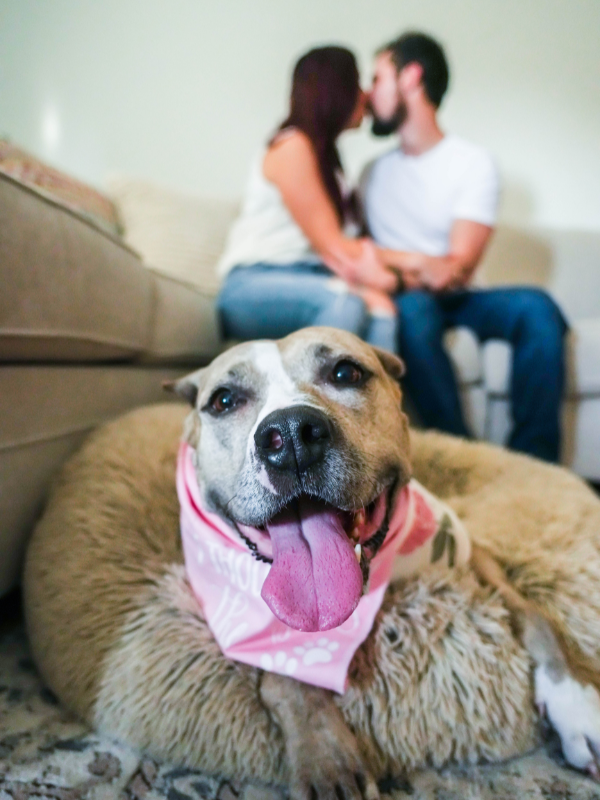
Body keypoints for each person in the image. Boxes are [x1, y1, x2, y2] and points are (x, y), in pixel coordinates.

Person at [362, 31, 568, 462]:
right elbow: (356, 252)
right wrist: (418, 264)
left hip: (464, 298)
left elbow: (456, 269)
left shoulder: (472, 163)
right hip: (410, 298)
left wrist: (397, 259)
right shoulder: (372, 175)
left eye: (378, 77)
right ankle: (466, 456)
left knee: (537, 307)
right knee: (414, 310)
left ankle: (535, 462)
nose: (368, 93)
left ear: (411, 77)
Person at [217, 46, 402, 354]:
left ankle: (382, 403)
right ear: (335, 92)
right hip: (252, 283)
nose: (365, 96)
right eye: (357, 84)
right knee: (346, 302)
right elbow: (336, 245)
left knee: (382, 309)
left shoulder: (330, 164)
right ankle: (319, 403)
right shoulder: (292, 146)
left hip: (307, 278)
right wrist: (424, 263)